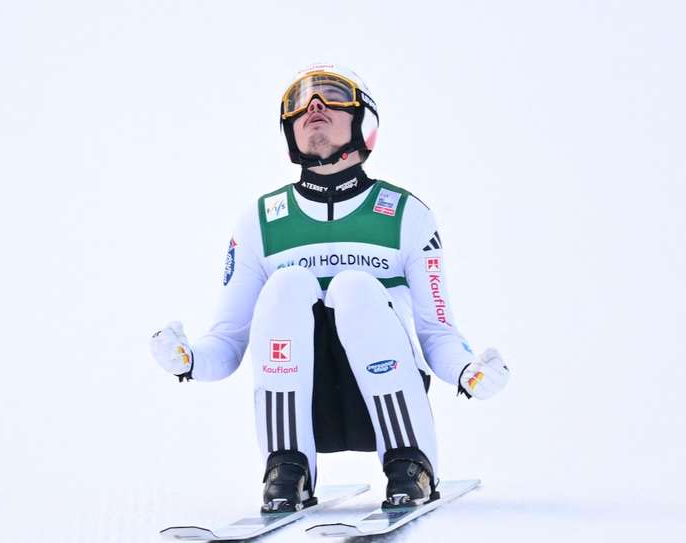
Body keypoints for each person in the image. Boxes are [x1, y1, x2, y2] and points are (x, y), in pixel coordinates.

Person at [150, 64, 510, 513]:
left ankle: (409, 462)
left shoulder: (405, 214)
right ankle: (287, 468)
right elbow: (227, 339)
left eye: (332, 96)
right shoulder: (260, 221)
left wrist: (466, 371)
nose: (313, 107)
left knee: (355, 288)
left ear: (365, 124)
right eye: (299, 103)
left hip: (386, 389)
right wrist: (189, 360)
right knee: (287, 285)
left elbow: (436, 330)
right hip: (303, 396)